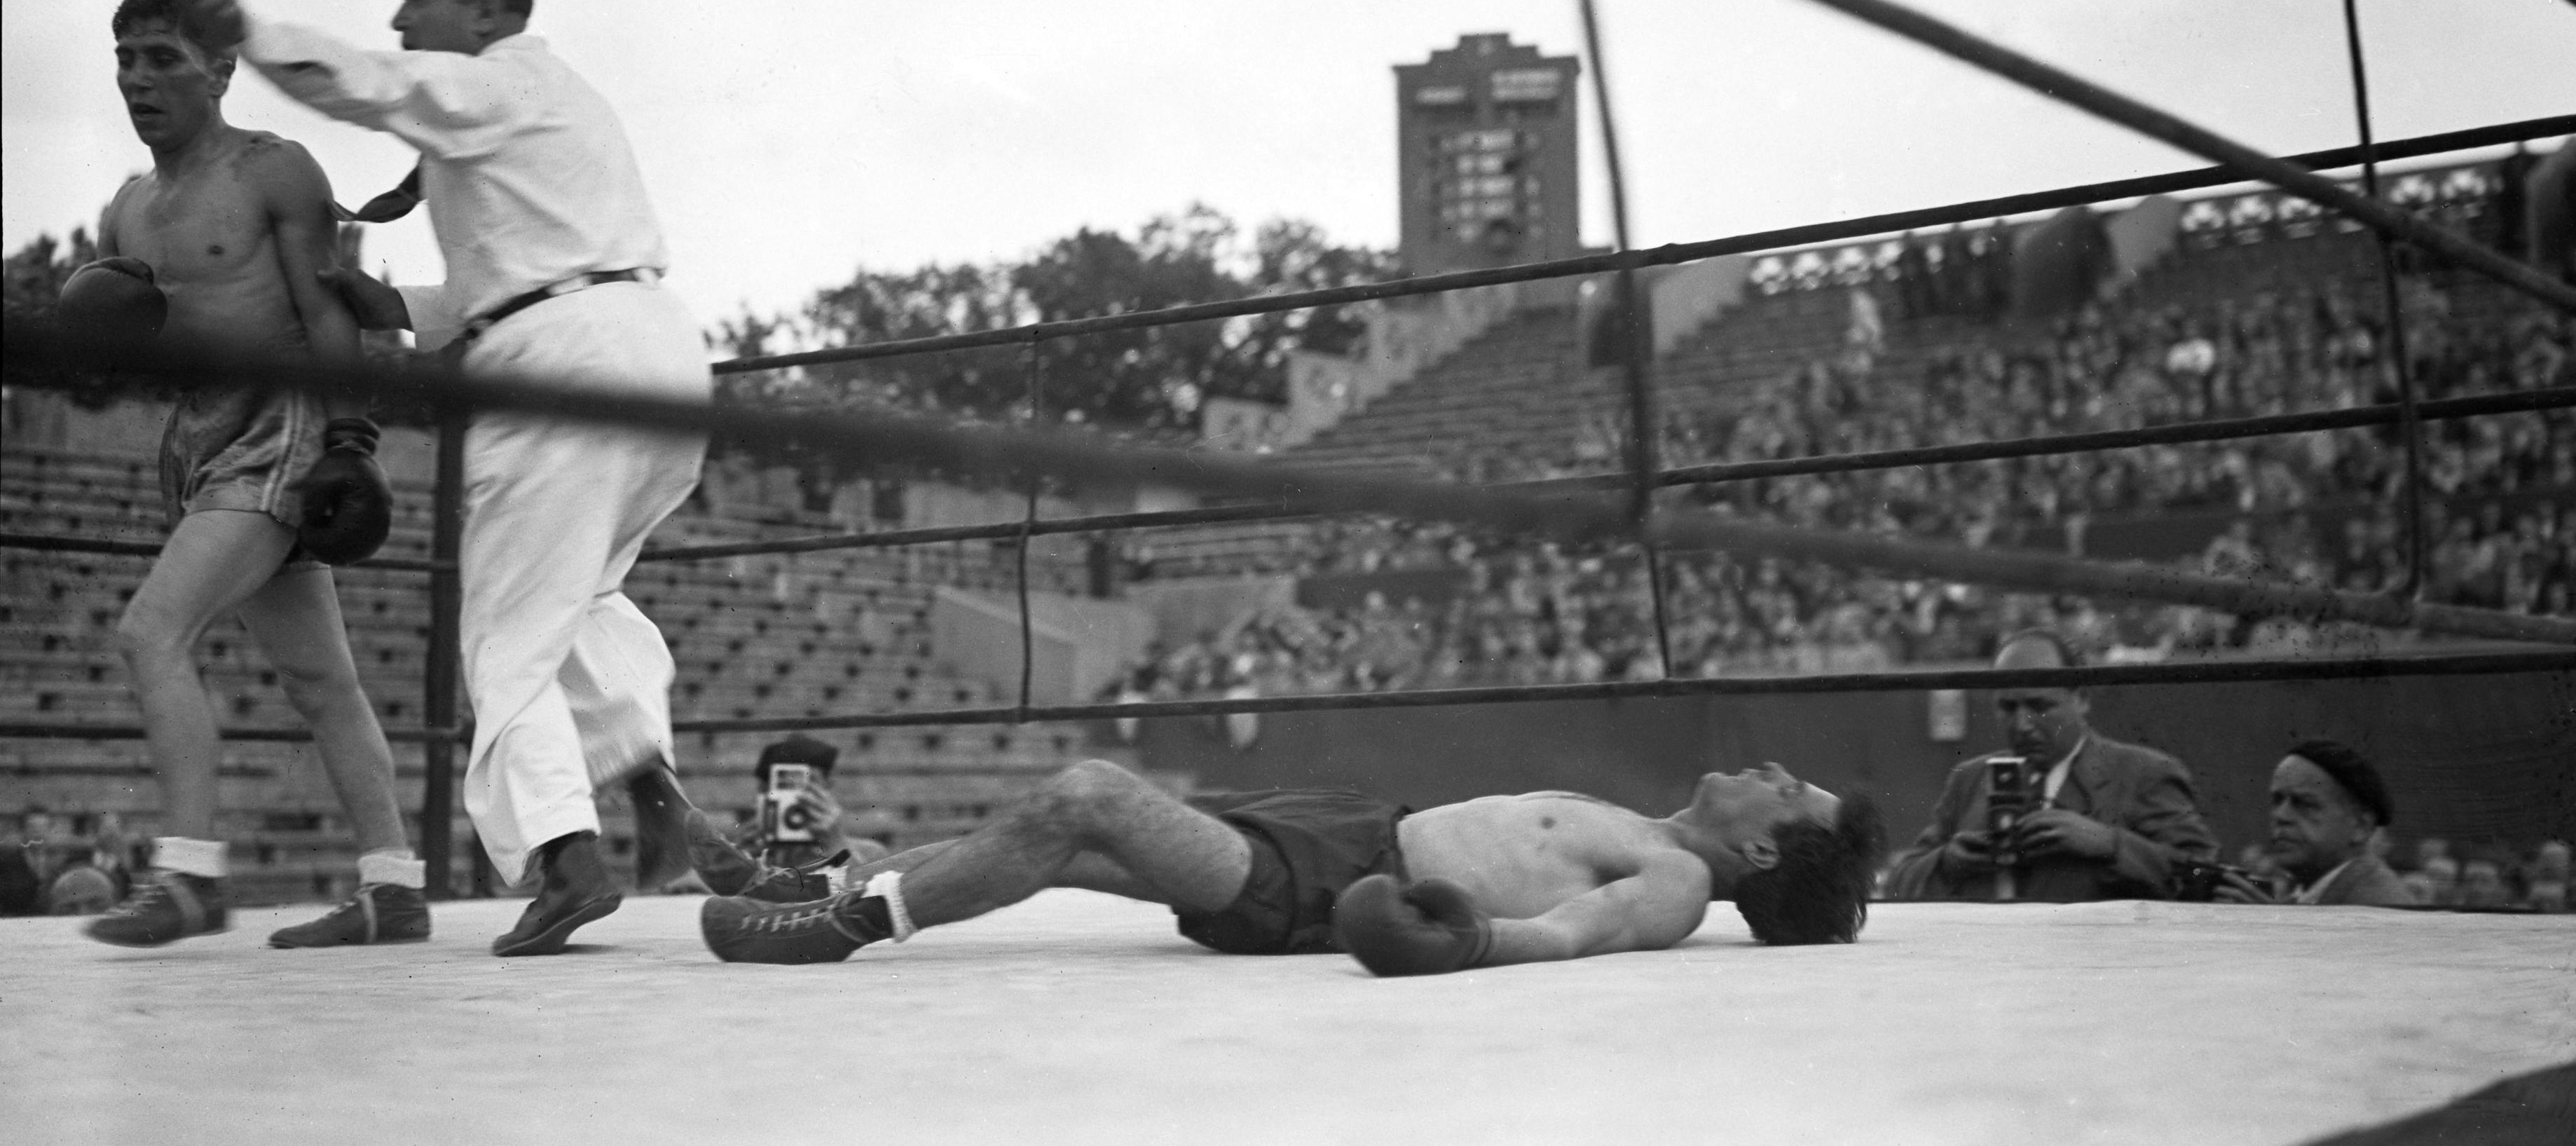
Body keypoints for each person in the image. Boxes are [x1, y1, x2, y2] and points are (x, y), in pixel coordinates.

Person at [168, 0, 711, 957]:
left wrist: (251, 35)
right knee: (581, 596)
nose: (401, 16)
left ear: (489, 12)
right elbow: (500, 280)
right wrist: (394, 301)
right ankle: (662, 800)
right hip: (654, 347)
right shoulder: (558, 104)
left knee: (506, 632)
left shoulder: (498, 82)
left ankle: (566, 857)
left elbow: (376, 85)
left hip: (567, 365)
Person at [65, 0, 428, 948]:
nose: (138, 80)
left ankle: (188, 875)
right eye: (125, 60)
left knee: (151, 635)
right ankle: (395, 886)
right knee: (321, 682)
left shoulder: (276, 171)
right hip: (199, 442)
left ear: (220, 69)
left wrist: (351, 442)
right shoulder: (127, 212)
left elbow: (327, 312)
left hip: (286, 430)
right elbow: (137, 370)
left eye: (163, 59)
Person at [694, 758, 1886, 971]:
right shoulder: (1655, 824)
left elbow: (1576, 934)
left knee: (1086, 797)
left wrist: (1464, 938)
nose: (1774, 768)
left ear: (1768, 845)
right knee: (1061, 840)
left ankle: (835, 931)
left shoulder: (1678, 884)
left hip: (1324, 881)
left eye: (1791, 791)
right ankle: (822, 886)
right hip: (1343, 828)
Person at [1885, 630, 2217, 901]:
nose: (2022, 724)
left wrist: (2110, 844)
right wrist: (1947, 862)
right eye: (2007, 707)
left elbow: (2205, 879)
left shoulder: (2144, 774)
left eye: (2039, 706)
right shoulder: (1971, 779)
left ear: (2081, 699)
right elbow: (1898, 883)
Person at [2212, 739, 2412, 906]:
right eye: (2277, 800)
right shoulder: (2316, 892)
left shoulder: (2377, 905)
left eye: (2305, 804)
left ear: (2361, 826)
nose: (2281, 815)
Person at [678, 736, 889, 892]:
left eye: (807, 786)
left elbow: (874, 901)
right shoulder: (748, 849)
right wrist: (739, 860)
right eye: (782, 789)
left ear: (827, 789)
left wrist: (837, 846)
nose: (794, 800)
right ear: (762, 796)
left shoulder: (869, 853)